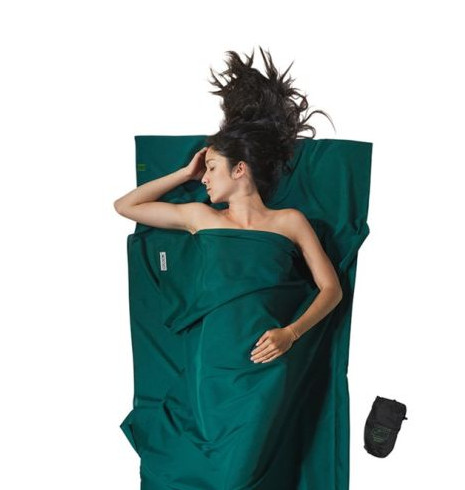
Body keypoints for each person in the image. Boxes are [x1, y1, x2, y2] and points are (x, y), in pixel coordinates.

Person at [113, 48, 344, 362]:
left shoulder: (290, 221)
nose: (205, 178)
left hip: (271, 355)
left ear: (239, 169)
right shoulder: (201, 217)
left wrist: (291, 334)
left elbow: (331, 289)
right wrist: (185, 173)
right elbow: (126, 206)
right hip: (214, 358)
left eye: (211, 168)